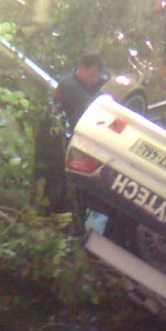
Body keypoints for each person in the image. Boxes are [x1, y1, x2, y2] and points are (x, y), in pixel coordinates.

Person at [34, 51, 106, 212]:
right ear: (81, 68)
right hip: (51, 142)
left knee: (58, 185)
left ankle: (46, 214)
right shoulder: (69, 84)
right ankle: (41, 213)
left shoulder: (82, 87)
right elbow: (89, 107)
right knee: (51, 182)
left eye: (97, 77)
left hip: (61, 144)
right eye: (92, 75)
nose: (94, 80)